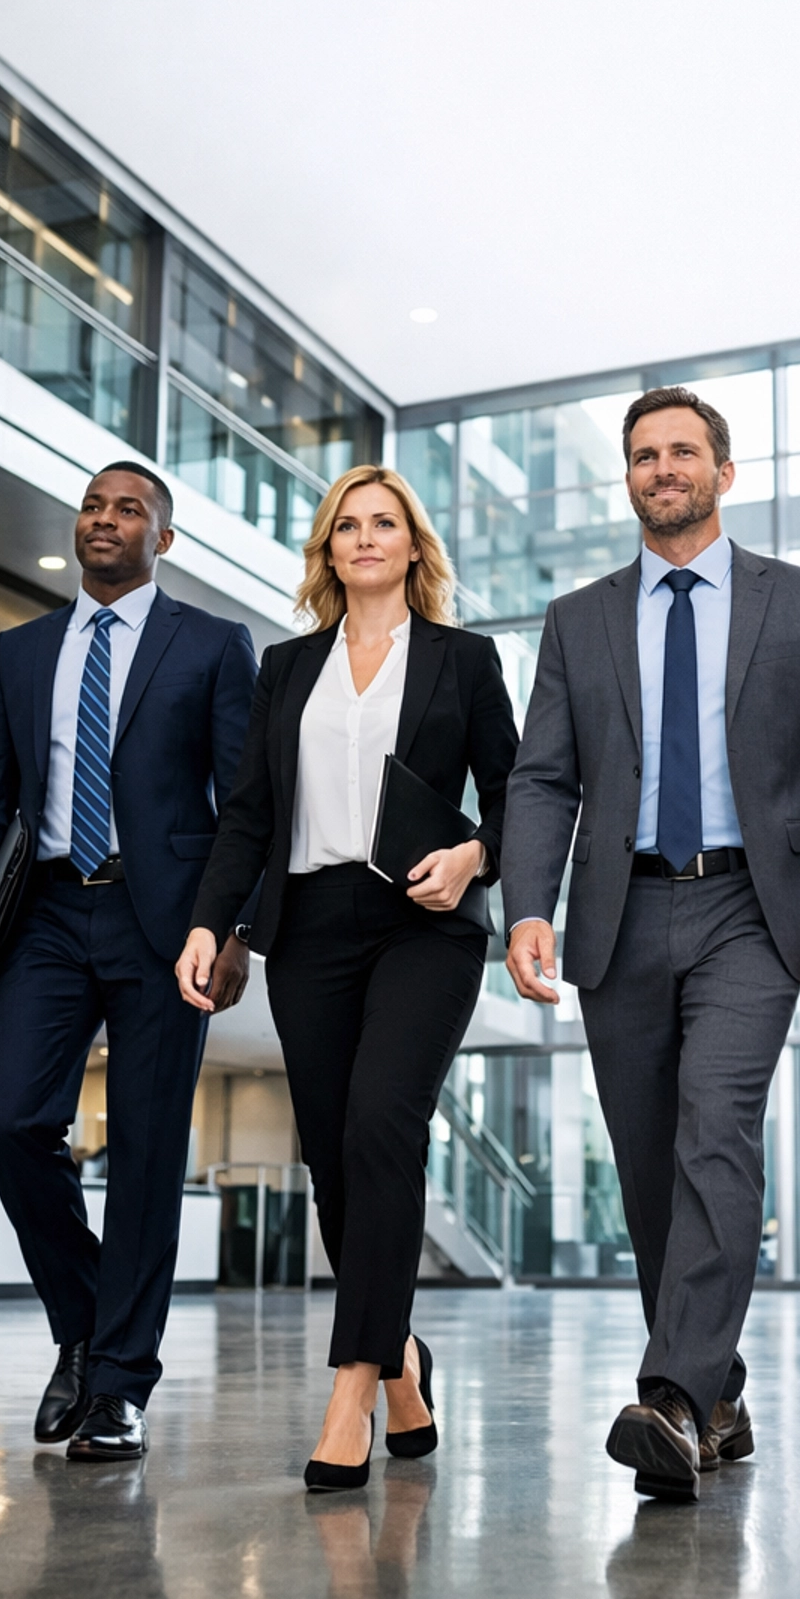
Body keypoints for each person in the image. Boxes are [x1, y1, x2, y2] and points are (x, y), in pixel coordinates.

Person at [503, 387, 800, 1501]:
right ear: (628, 477)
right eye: (643, 455)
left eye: (682, 451)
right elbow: (544, 777)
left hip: (752, 910)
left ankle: (668, 1395)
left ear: (724, 471)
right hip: (619, 911)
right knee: (647, 1165)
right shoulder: (577, 618)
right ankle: (716, 1392)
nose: (661, 468)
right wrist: (528, 904)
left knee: (717, 1130)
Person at [177, 465, 518, 1491]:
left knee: (381, 1122)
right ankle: (403, 1359)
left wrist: (476, 856)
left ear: (413, 545)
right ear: (328, 549)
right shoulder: (288, 668)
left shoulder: (464, 659)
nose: (365, 537)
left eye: (384, 523)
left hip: (424, 923)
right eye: (346, 525)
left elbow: (518, 795)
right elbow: (248, 812)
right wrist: (209, 922)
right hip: (311, 926)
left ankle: (353, 1386)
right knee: (332, 1156)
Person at [0, 465, 258, 1461]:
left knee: (149, 1154)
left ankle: (119, 1384)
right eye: (92, 506)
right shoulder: (23, 650)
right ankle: (81, 1324)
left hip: (166, 926)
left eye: (128, 510)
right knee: (12, 1123)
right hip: (43, 915)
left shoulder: (212, 644)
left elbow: (243, 799)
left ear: (164, 538)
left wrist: (235, 928)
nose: (104, 521)